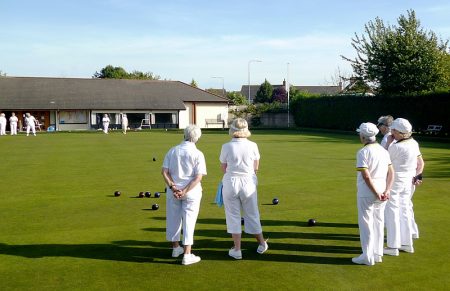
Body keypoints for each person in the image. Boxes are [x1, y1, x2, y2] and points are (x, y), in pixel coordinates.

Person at [219, 118, 268, 260]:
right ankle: (261, 244)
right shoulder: (253, 145)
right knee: (252, 214)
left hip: (230, 182)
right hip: (248, 182)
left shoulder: (226, 146)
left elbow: (224, 168)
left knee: (232, 216)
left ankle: (237, 249)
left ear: (232, 130)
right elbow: (256, 167)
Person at [161, 125, 206, 265]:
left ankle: (175, 248)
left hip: (173, 191)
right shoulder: (198, 153)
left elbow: (164, 172)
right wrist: (184, 190)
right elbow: (198, 177)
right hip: (191, 192)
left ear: (184, 135)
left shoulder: (172, 150)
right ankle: (186, 253)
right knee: (189, 221)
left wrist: (173, 187)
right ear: (197, 137)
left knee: (173, 218)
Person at [352, 122, 394, 266]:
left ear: (363, 136)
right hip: (382, 191)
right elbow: (391, 173)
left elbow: (366, 176)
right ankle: (377, 254)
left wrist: (376, 192)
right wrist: (387, 191)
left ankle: (367, 257)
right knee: (378, 222)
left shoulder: (363, 152)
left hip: (367, 193)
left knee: (366, 224)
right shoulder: (383, 151)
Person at [384, 118, 424, 256]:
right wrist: (418, 175)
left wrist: (388, 143)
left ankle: (393, 246)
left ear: (400, 132)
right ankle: (407, 244)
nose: (392, 133)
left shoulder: (395, 146)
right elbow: (420, 163)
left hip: (395, 181)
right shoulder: (414, 143)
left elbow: (383, 160)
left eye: (394, 130)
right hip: (408, 180)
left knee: (393, 212)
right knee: (405, 210)